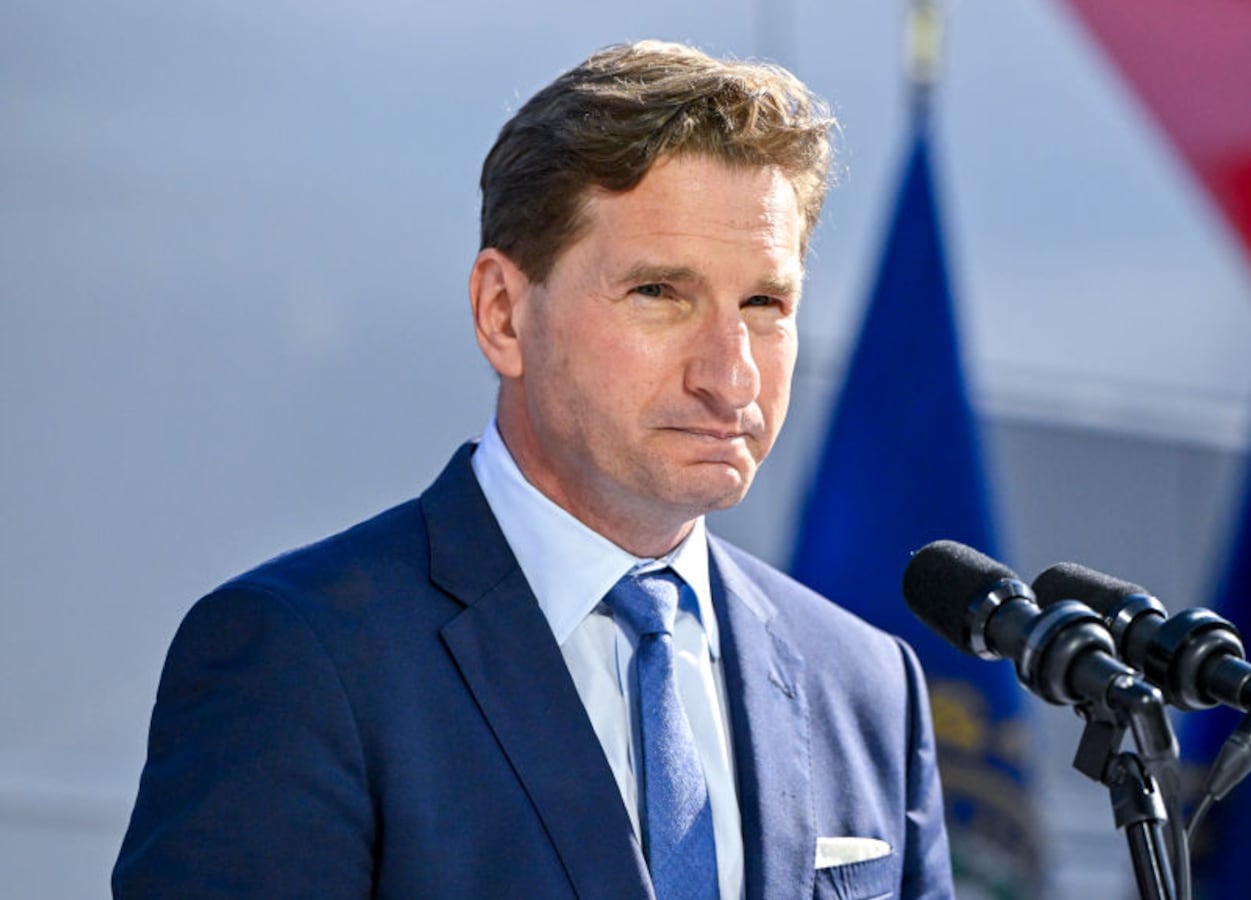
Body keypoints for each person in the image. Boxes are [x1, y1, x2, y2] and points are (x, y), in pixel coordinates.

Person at [112, 39, 953, 900]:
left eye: (764, 304)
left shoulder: (866, 687)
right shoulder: (299, 660)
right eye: (660, 293)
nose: (730, 375)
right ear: (504, 314)